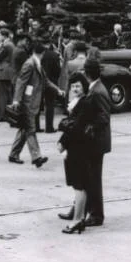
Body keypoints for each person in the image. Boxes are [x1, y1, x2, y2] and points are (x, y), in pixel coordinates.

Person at [8, 42, 64, 168]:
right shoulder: (30, 64)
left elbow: (45, 81)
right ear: (42, 53)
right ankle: (36, 157)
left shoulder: (36, 63)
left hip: (32, 101)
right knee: (30, 129)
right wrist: (16, 100)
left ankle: (13, 154)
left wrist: (57, 90)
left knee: (24, 129)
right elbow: (21, 81)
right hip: (27, 102)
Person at [56, 72, 93, 234]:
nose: (75, 89)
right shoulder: (78, 102)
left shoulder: (84, 103)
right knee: (79, 186)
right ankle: (80, 219)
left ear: (84, 87)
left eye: (78, 86)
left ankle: (77, 220)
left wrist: (62, 141)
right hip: (79, 148)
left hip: (78, 148)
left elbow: (75, 126)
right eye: (73, 86)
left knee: (79, 186)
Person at [81, 56, 112, 227]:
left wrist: (89, 127)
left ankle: (96, 215)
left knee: (94, 178)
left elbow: (103, 117)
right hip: (96, 141)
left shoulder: (98, 91)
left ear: (86, 73)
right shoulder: (96, 88)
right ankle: (84, 210)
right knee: (90, 177)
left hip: (96, 142)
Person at [0, 28, 15, 122]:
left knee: (2, 95)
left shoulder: (6, 45)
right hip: (9, 71)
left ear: (3, 36)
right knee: (8, 95)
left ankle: (1, 116)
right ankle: (9, 115)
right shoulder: (11, 44)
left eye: (0, 35)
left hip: (3, 70)